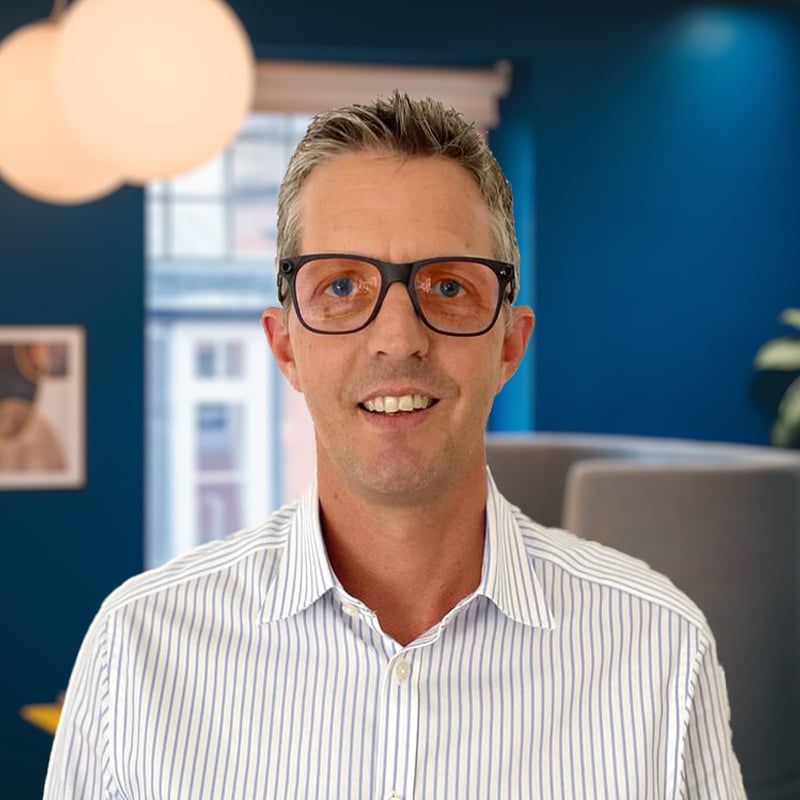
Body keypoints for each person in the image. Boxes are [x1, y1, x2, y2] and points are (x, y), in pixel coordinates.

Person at [44, 92, 746, 799]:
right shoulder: (136, 651)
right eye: (343, 286)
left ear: (509, 344)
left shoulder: (659, 650)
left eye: (447, 286)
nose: (399, 338)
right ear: (285, 345)